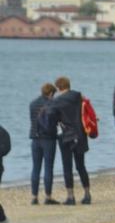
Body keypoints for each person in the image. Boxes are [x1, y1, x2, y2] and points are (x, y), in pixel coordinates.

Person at [52, 76, 91, 205]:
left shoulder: (57, 101)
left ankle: (71, 196)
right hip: (80, 134)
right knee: (81, 166)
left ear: (58, 87)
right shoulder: (78, 96)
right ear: (68, 85)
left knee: (67, 166)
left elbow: (53, 118)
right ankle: (87, 194)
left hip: (65, 136)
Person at [30, 83, 59, 205]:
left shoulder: (33, 103)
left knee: (36, 168)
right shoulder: (52, 104)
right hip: (48, 139)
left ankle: (34, 197)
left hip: (35, 138)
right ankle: (48, 196)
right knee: (48, 167)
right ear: (51, 93)